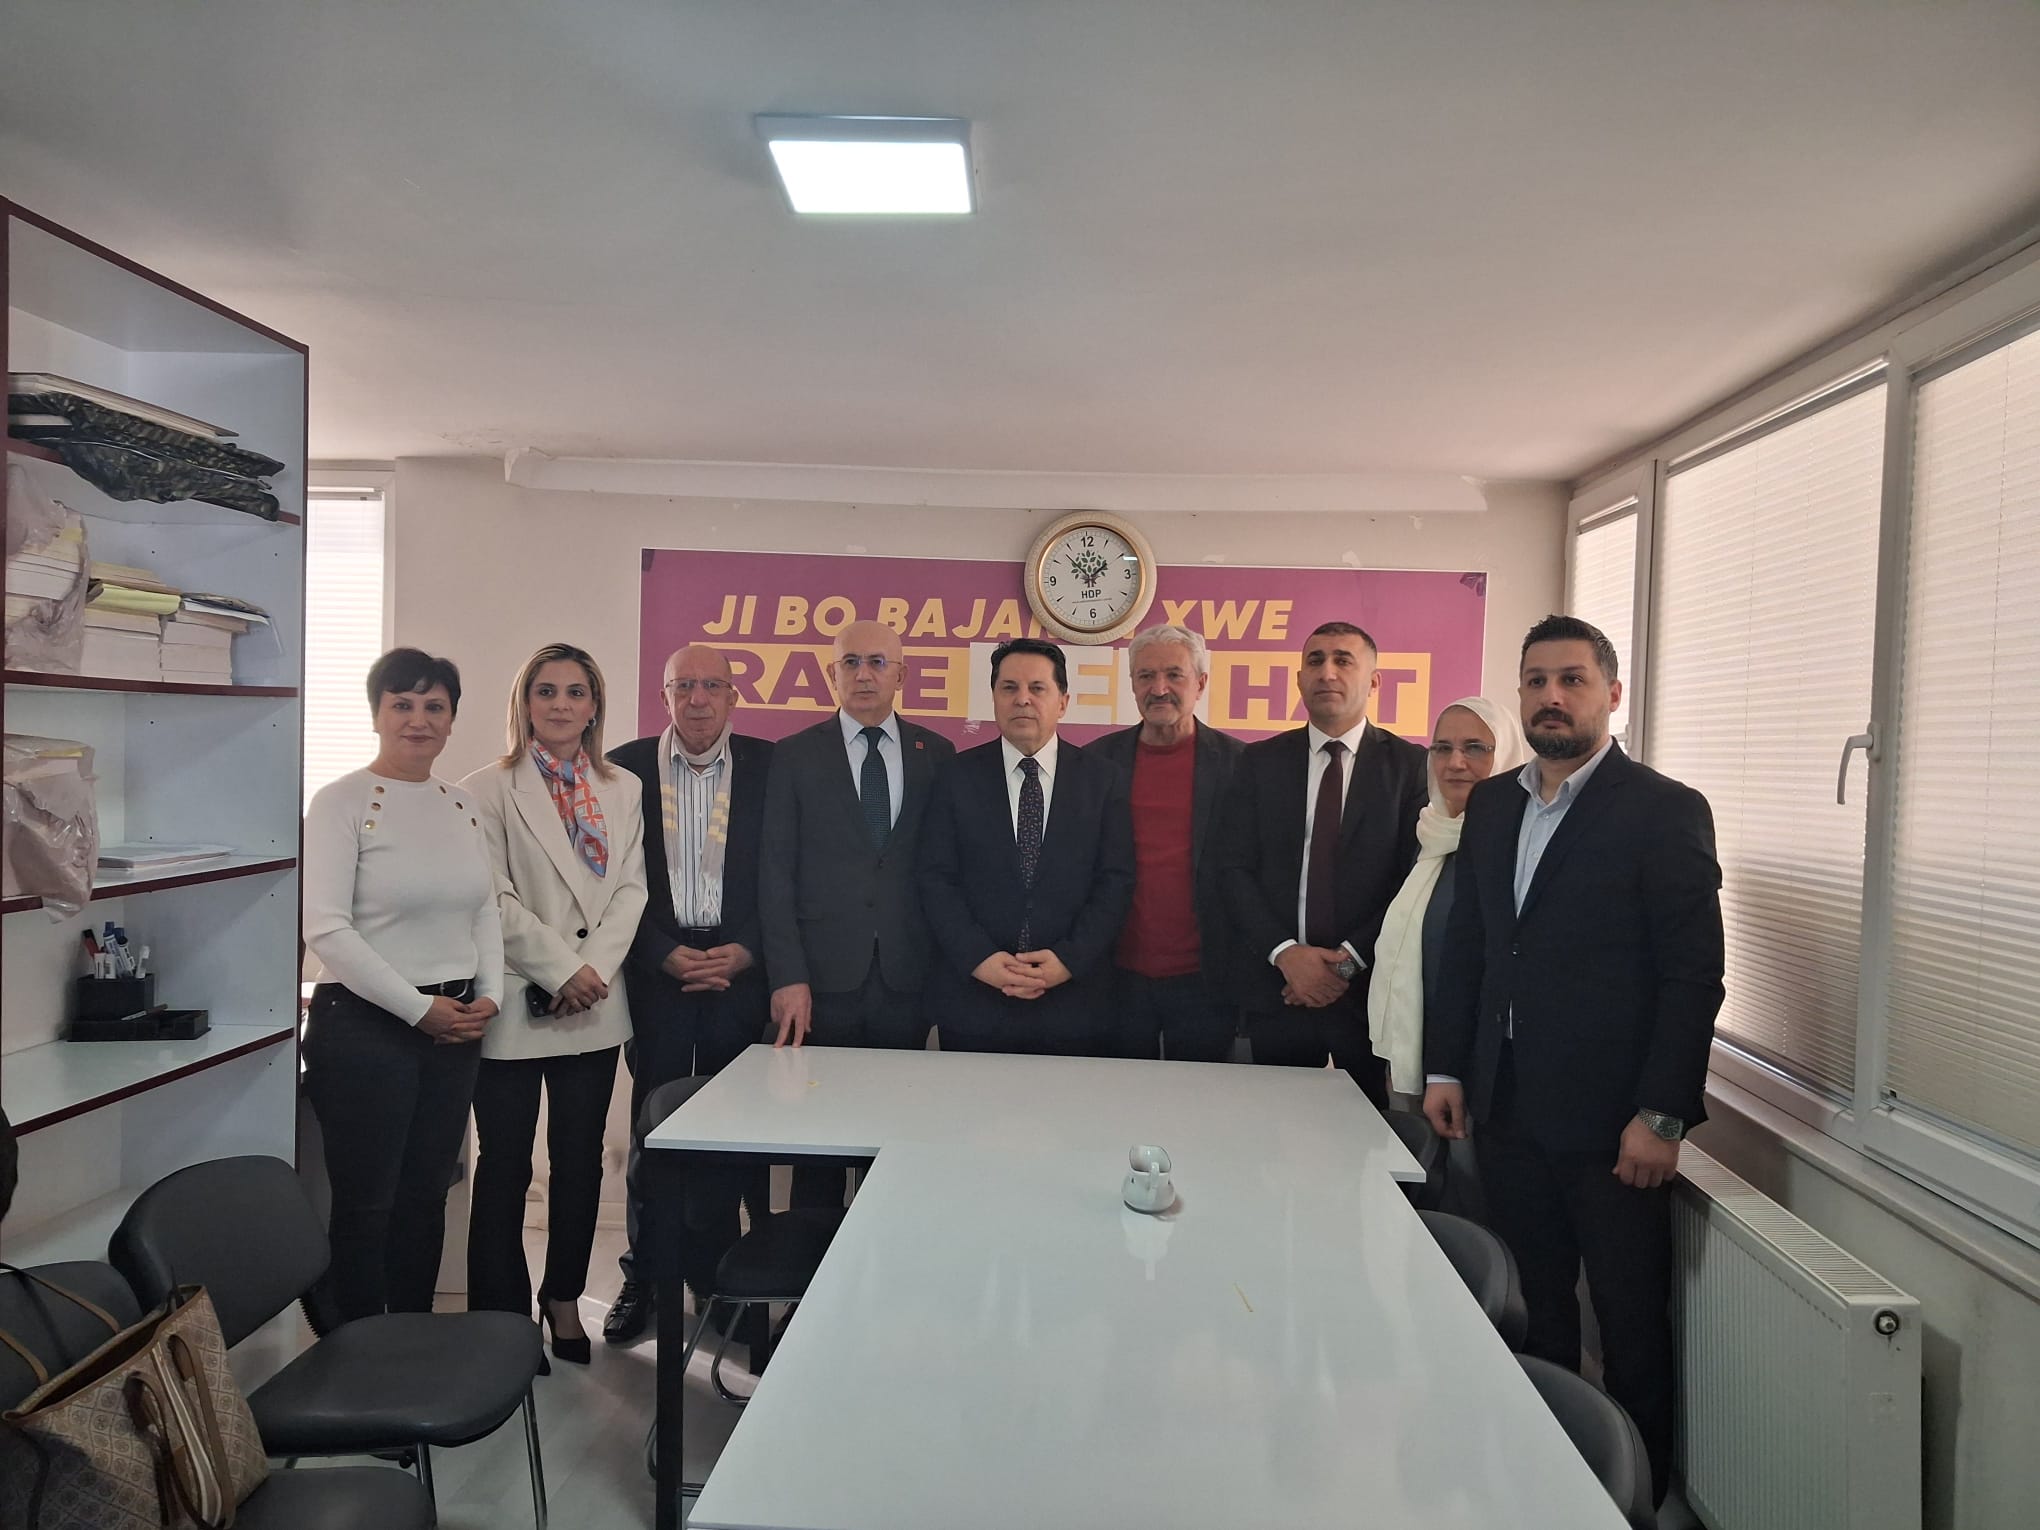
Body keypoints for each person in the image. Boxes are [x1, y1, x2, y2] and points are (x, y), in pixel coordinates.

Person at [1423, 615, 1724, 1506]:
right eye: (1536, 681)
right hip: (1506, 1105)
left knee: (1628, 1325)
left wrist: (1662, 1113)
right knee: (1536, 1310)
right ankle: (1542, 1489)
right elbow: (1473, 947)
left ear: (1612, 694)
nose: (1551, 697)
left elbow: (1693, 974)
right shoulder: (1495, 805)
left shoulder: (1663, 809)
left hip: (1615, 1125)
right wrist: (1447, 1069)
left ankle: (1633, 1504)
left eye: (1572, 680)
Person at [302, 648, 503, 1323]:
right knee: (368, 1203)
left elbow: (485, 909)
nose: (419, 719)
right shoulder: (339, 802)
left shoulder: (461, 804)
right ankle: (358, 1347)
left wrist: (490, 996)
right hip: (364, 1026)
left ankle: (414, 1338)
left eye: (434, 706)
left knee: (427, 1194)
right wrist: (418, 1011)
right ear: (377, 714)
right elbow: (327, 930)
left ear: (452, 719)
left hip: (456, 1024)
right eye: (402, 704)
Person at [460, 643, 647, 1367]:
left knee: (580, 1163)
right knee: (504, 1165)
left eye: (575, 692)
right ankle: (501, 1316)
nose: (561, 705)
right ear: (525, 703)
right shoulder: (485, 788)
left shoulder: (623, 788)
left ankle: (563, 1298)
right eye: (547, 691)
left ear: (594, 705)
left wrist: (591, 972)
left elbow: (630, 889)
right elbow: (492, 898)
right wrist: (563, 968)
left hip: (593, 1003)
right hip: (516, 996)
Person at [601, 644, 773, 1344]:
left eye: (712, 685)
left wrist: (751, 948)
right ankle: (645, 1276)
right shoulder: (622, 770)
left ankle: (716, 1276)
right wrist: (659, 952)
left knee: (733, 1133)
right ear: (664, 694)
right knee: (654, 1130)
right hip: (657, 976)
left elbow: (788, 871)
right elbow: (606, 880)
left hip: (741, 975)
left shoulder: (772, 767)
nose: (698, 699)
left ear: (734, 695)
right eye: (684, 686)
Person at [760, 619, 956, 1209]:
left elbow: (945, 872)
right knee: (818, 1141)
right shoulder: (794, 756)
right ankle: (812, 1264)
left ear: (902, 674)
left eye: (876, 662)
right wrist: (788, 976)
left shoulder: (936, 754)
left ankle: (883, 1253)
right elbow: (775, 873)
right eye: (850, 662)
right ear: (831, 674)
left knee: (893, 1135)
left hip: (907, 978)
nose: (863, 674)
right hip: (821, 982)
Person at [1214, 621, 1428, 1103]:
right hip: (1279, 988)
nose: (1327, 672)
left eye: (1343, 660)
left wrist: (1344, 966)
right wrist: (1286, 954)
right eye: (1315, 660)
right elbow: (1232, 868)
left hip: (1368, 993)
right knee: (1273, 1130)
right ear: (1299, 679)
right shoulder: (1258, 762)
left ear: (1374, 682)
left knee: (1367, 1135)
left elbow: (1413, 881)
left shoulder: (1410, 767)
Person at [918, 637, 1134, 1055]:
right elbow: (935, 879)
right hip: (976, 1001)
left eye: (1037, 688)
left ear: (1063, 702)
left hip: (1075, 1002)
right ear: (994, 698)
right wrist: (979, 959)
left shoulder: (1103, 780)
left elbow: (1116, 882)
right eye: (1009, 687)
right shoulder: (953, 777)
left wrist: (1068, 960)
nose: (1022, 699)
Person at [1088, 623, 1244, 1063]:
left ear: (1201, 683)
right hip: (1114, 975)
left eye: (1174, 675)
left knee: (1196, 1098)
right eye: (1146, 676)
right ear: (1132, 684)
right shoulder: (1096, 762)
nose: (1159, 689)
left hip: (1205, 978)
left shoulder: (1240, 765)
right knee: (1114, 1095)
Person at [1366, 696, 1530, 1098]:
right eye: (1442, 748)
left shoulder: (1519, 846)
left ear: (1506, 754)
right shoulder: (1426, 836)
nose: (1455, 762)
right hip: (1414, 1049)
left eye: (1475, 748)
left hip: (1484, 1066)